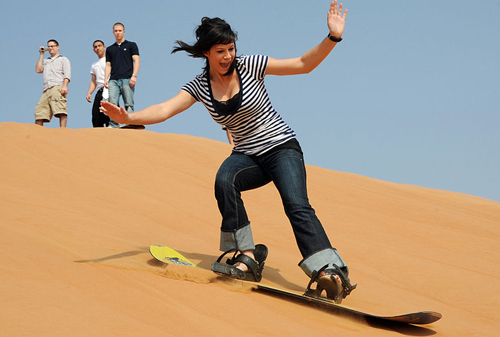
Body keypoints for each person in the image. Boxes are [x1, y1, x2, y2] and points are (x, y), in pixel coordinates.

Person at [101, 1, 356, 303]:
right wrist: (129, 118)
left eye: (231, 49)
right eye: (220, 51)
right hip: (248, 155)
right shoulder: (200, 86)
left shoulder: (251, 65)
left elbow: (302, 64)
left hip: (281, 147)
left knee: (296, 205)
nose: (227, 56)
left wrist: (332, 37)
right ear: (206, 52)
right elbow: (165, 109)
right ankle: (247, 255)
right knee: (225, 179)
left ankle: (329, 270)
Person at [104, 22, 142, 129]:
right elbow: (108, 65)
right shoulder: (110, 49)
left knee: (129, 103)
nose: (118, 33)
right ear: (113, 32)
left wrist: (134, 76)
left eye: (120, 31)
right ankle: (113, 124)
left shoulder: (131, 45)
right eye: (116, 31)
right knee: (112, 103)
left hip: (127, 78)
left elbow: (137, 61)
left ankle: (130, 122)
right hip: (113, 80)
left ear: (124, 32)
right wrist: (105, 78)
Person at [35, 39, 71, 127]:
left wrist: (65, 86)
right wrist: (41, 55)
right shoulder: (46, 61)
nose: (50, 48)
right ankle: (37, 133)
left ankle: (63, 130)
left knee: (60, 109)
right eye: (49, 46)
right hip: (46, 89)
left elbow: (67, 74)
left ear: (57, 47)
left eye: (52, 46)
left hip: (57, 86)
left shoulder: (63, 59)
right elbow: (38, 70)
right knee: (40, 112)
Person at [86, 40, 111, 127]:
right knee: (96, 116)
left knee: (111, 115)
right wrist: (89, 92)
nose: (97, 48)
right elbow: (93, 81)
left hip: (110, 89)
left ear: (104, 47)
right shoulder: (94, 65)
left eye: (99, 46)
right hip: (99, 91)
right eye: (95, 47)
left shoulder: (110, 60)